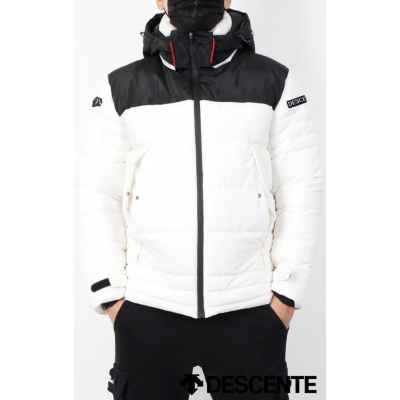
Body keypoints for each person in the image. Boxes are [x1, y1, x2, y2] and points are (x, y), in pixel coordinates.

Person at [81, 0, 323, 398]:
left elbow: (300, 190)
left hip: (250, 311)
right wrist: (112, 298)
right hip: (148, 311)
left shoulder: (274, 81)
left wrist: (286, 297)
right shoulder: (120, 87)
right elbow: (99, 195)